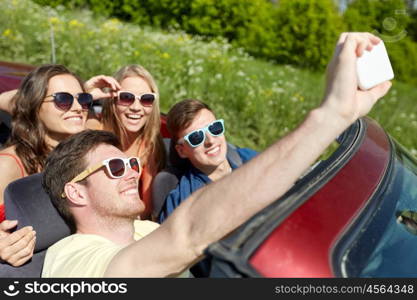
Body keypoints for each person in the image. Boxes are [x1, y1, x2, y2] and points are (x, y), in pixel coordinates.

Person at [41, 32, 392, 277]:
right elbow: (185, 234)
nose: (132, 172)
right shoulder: (73, 257)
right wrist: (329, 118)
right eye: (116, 167)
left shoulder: (146, 226)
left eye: (132, 163)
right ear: (75, 190)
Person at [84, 65, 166, 220]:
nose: (136, 107)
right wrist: (86, 91)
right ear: (112, 100)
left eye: (146, 99)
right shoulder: (95, 132)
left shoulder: (150, 145)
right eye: (126, 97)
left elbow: (147, 209)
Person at [159, 99, 257, 223]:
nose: (210, 140)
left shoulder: (249, 158)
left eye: (214, 128)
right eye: (196, 137)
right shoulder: (184, 203)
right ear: (182, 151)